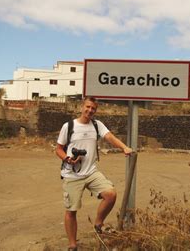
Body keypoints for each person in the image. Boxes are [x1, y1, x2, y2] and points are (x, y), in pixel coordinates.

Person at [55, 96, 133, 251]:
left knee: (110, 194)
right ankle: (72, 245)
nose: (90, 110)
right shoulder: (69, 126)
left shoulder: (97, 125)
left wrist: (124, 147)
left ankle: (98, 223)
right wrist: (68, 159)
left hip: (91, 172)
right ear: (82, 106)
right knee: (71, 210)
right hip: (72, 174)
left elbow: (110, 137)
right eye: (88, 107)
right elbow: (58, 149)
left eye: (93, 109)